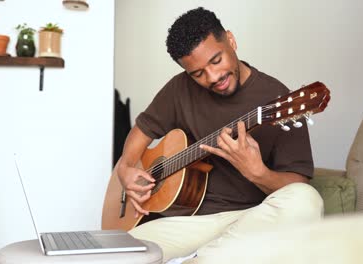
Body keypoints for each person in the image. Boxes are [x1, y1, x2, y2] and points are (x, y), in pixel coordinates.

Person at [117, 7, 323, 263]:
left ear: (231, 40)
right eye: (198, 73)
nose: (213, 77)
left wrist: (257, 172)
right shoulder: (179, 89)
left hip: (250, 219)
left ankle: (200, 258)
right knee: (120, 251)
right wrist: (125, 168)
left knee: (307, 200)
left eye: (216, 60)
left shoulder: (279, 100)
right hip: (186, 224)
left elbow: (298, 186)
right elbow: (142, 129)